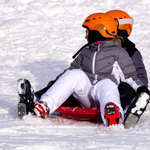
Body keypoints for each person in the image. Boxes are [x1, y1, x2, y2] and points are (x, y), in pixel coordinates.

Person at [18, 13, 150, 128]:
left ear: (98, 31)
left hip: (104, 94)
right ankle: (44, 105)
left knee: (107, 83)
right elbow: (69, 74)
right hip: (85, 95)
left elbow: (130, 76)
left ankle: (112, 113)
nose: (86, 36)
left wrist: (141, 89)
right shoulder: (85, 52)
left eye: (88, 32)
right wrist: (50, 87)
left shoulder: (119, 52)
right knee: (75, 74)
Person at [106, 10, 149, 109]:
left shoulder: (130, 50)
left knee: (124, 89)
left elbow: (139, 73)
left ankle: (128, 107)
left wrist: (142, 90)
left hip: (125, 87)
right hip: (105, 86)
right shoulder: (101, 46)